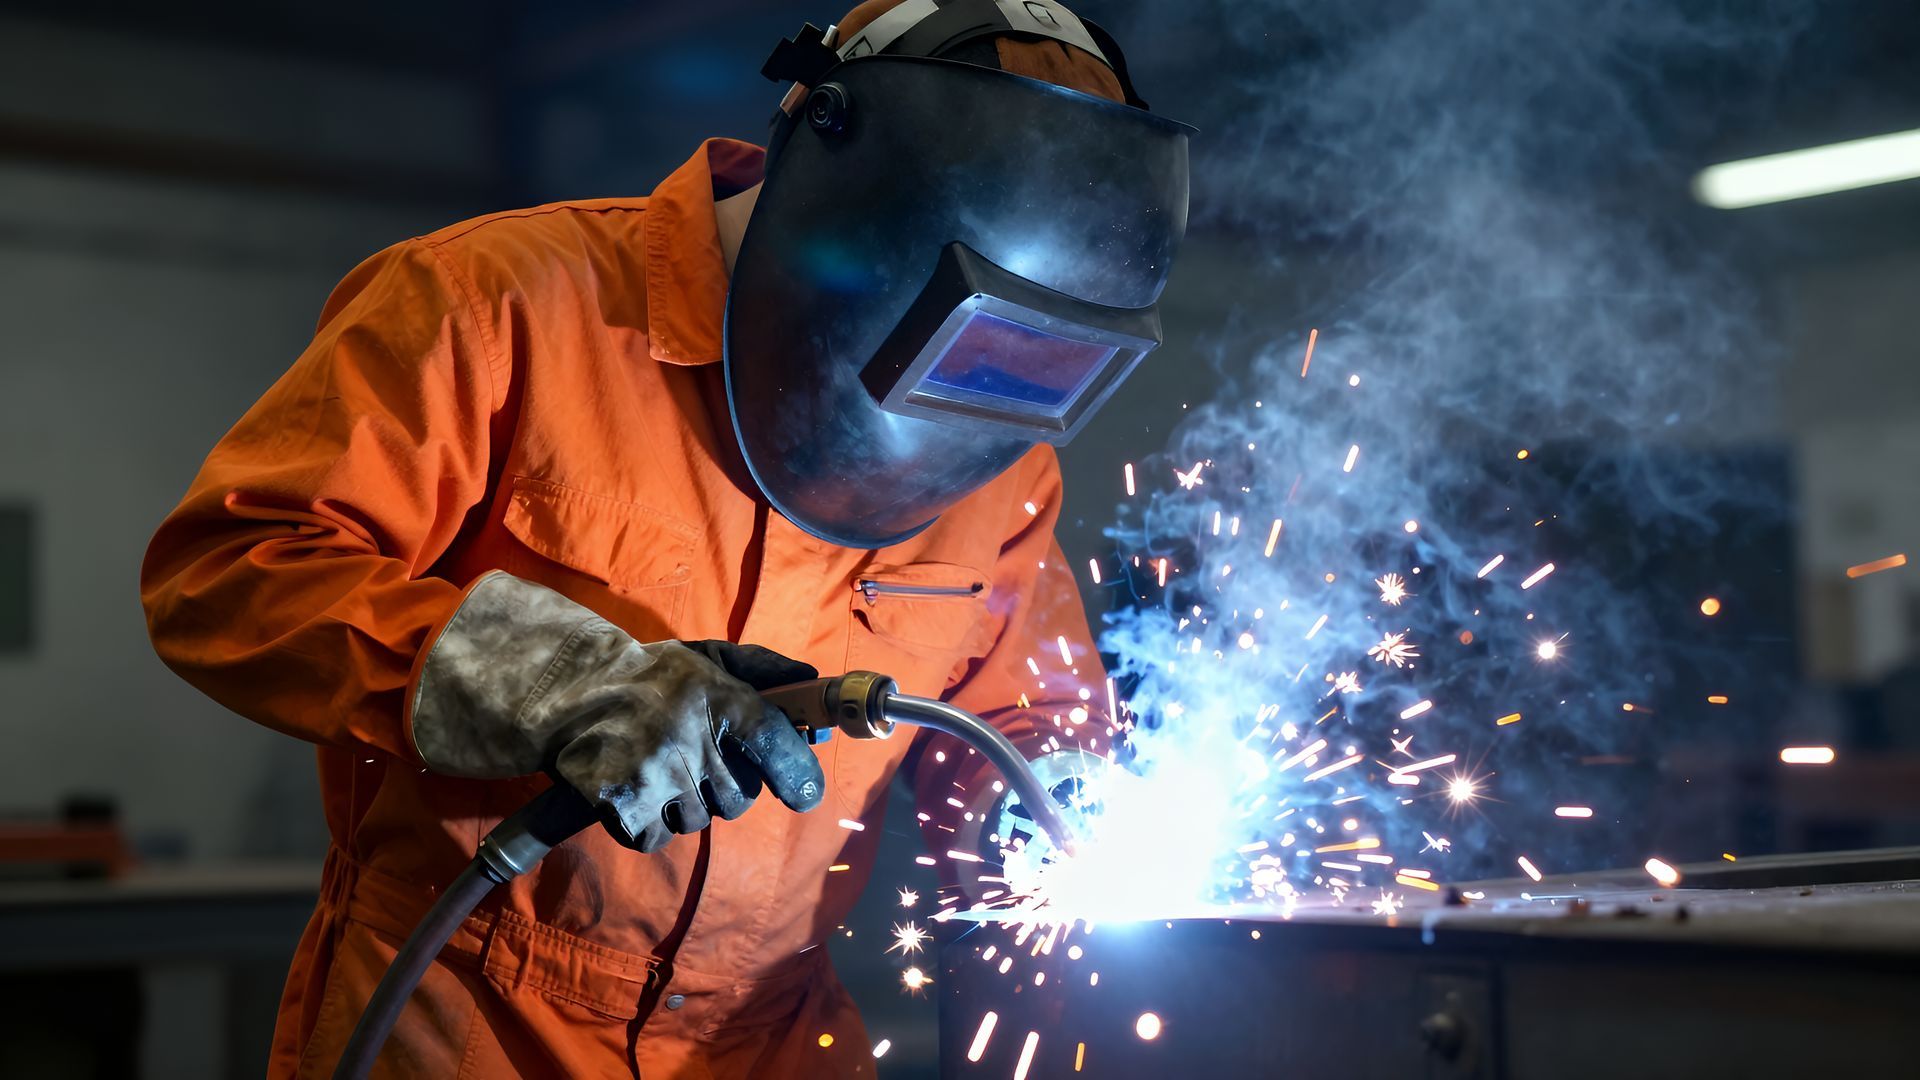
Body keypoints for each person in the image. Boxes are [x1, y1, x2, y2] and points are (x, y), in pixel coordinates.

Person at [140, 0, 1189, 1074]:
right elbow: (227, 570)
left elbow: (1017, 712)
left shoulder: (1001, 454)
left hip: (775, 1038)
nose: (962, 394)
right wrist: (556, 684)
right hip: (468, 1019)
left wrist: (1043, 805)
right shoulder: (499, 304)